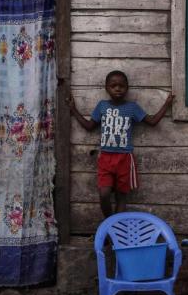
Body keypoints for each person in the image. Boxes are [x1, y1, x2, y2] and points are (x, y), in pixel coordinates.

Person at [66, 70, 174, 217]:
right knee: (104, 194)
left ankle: (115, 232)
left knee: (121, 197)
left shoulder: (132, 108)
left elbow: (153, 122)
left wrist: (166, 104)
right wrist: (73, 109)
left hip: (124, 159)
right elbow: (89, 126)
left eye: (122, 86)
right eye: (113, 85)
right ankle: (109, 225)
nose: (118, 88)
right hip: (105, 158)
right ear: (106, 88)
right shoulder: (102, 106)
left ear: (127, 88)